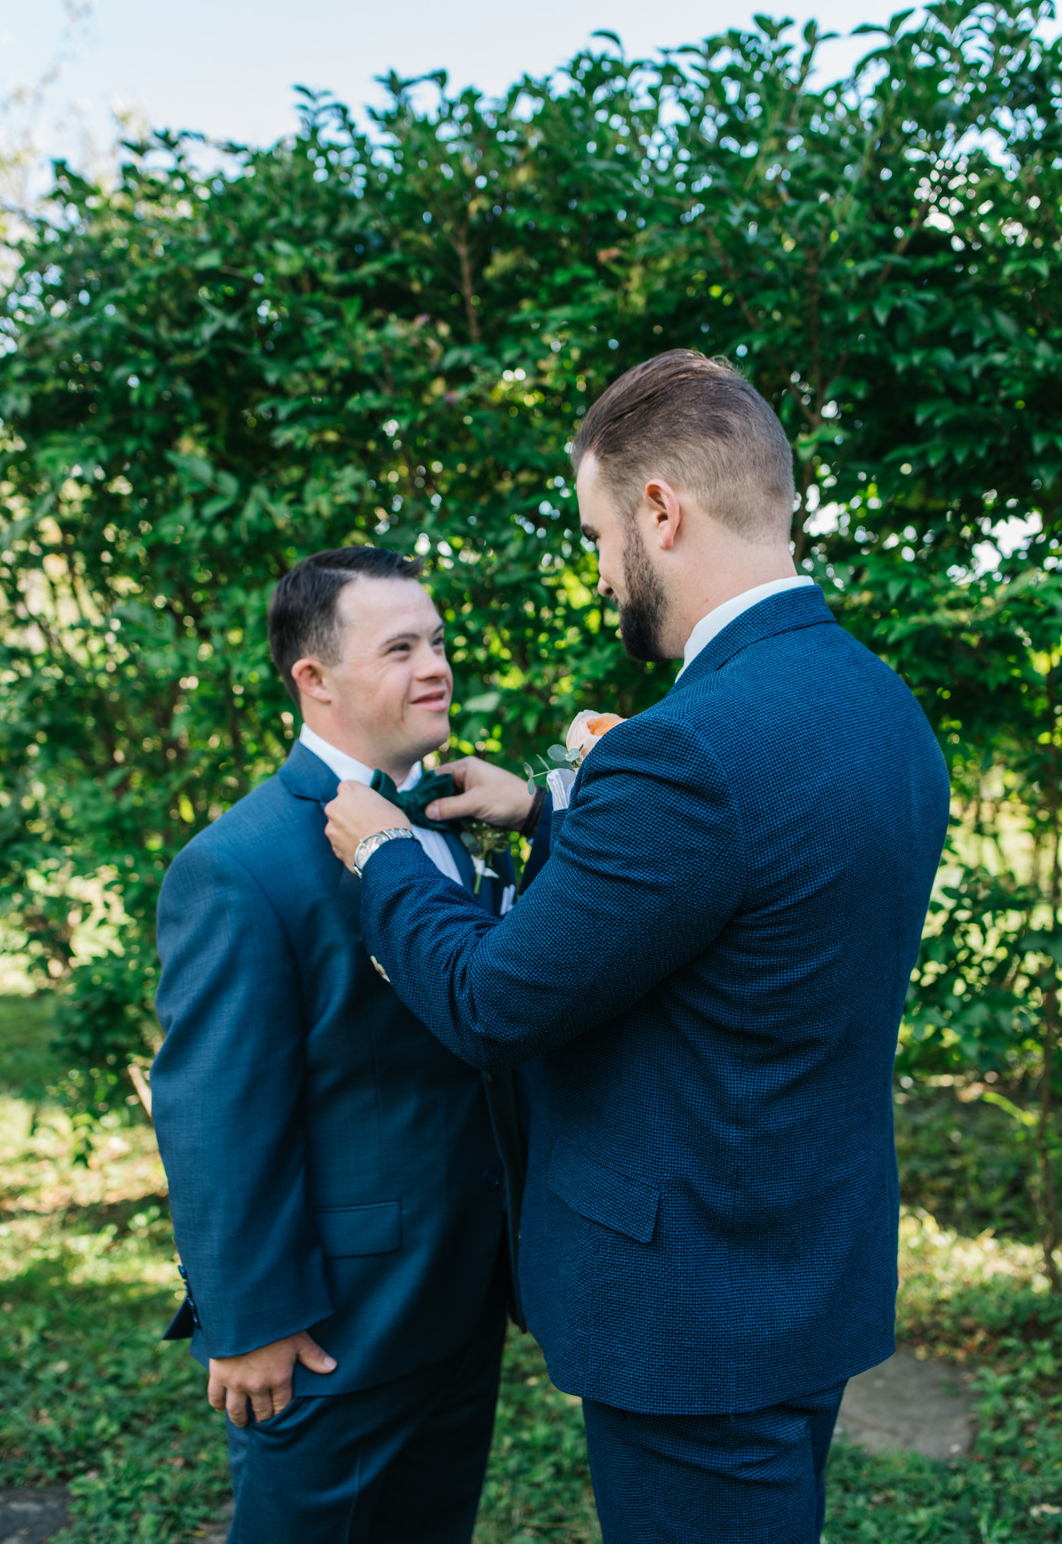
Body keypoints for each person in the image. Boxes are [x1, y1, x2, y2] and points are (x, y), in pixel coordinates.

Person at [323, 350, 951, 1544]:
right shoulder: (878, 703)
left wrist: (387, 858)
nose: (604, 572)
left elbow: (493, 1002)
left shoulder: (687, 751)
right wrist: (548, 810)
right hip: (806, 1269)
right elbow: (760, 885)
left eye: (599, 536)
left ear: (660, 511)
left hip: (694, 1311)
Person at [151, 546, 532, 1544]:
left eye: (437, 642)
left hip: (463, 1291)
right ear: (313, 679)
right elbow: (216, 1113)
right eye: (400, 648)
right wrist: (251, 1322)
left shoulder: (456, 818)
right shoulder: (237, 866)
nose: (436, 666)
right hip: (333, 1327)